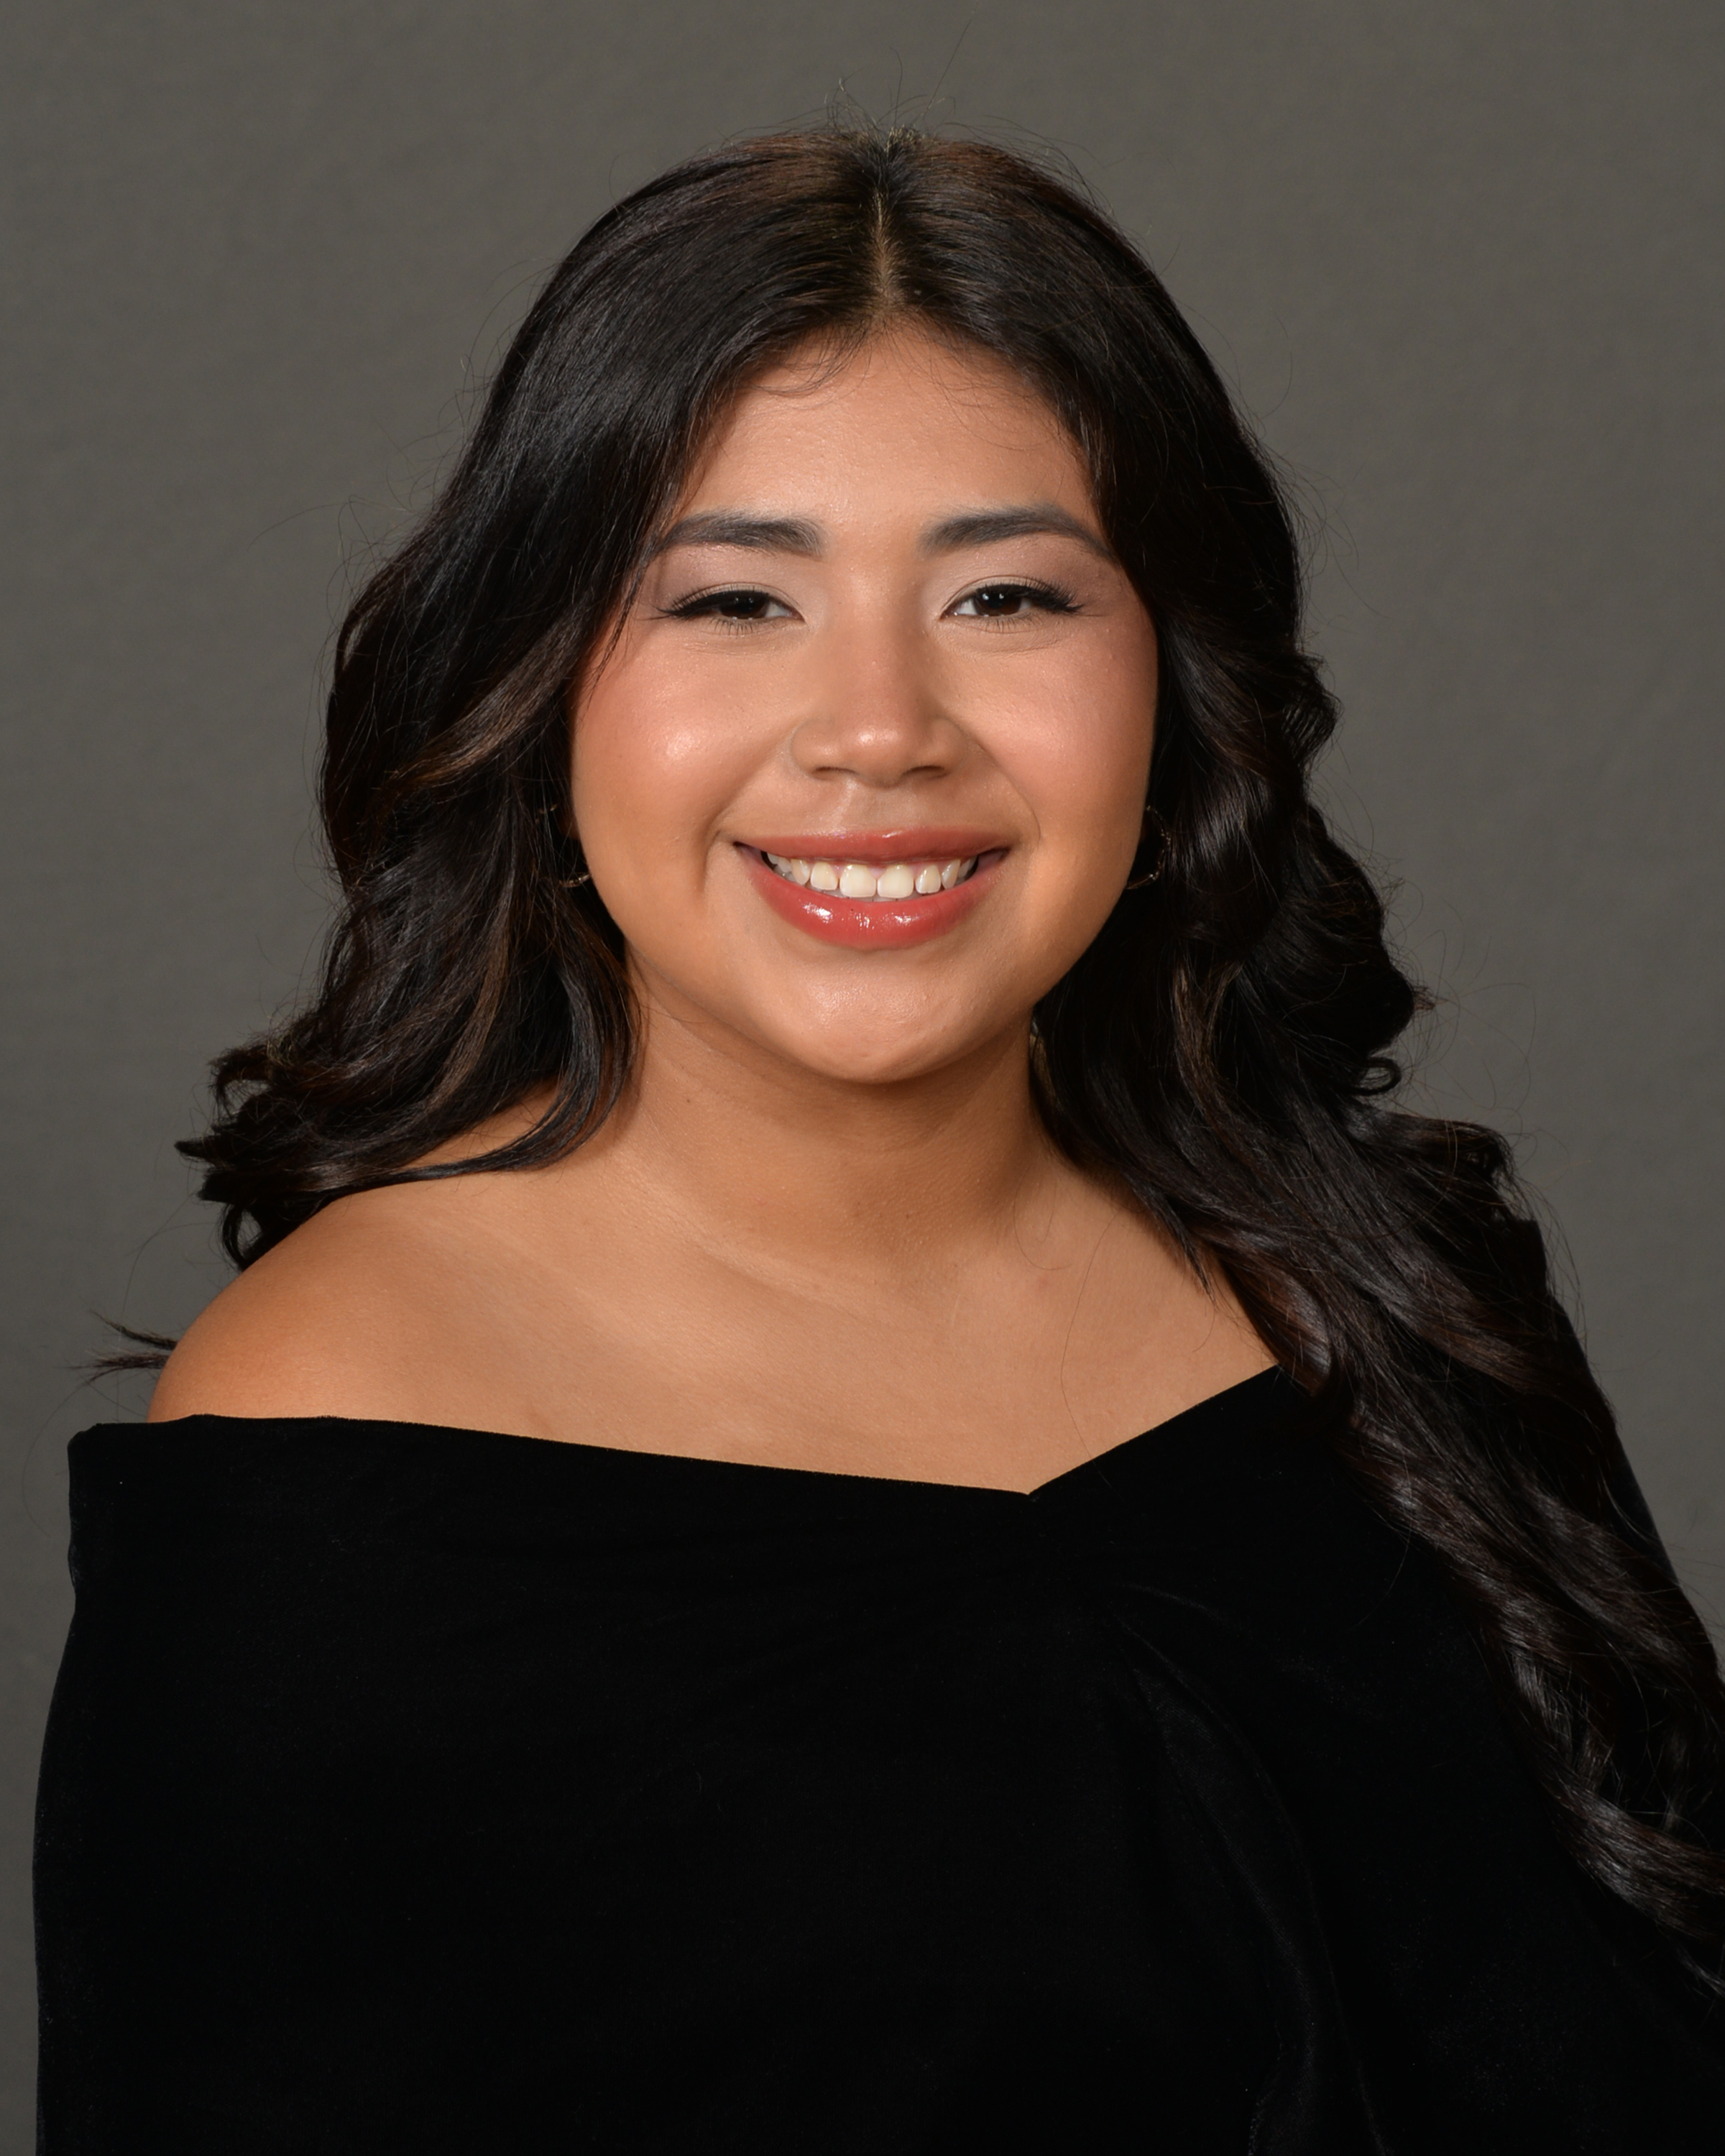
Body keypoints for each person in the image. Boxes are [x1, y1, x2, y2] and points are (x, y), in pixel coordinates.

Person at [34, 126, 1725, 2152]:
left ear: (1174, 681)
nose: (878, 730)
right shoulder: (336, 1434)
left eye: (1006, 593)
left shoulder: (1384, 1277)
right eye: (735, 600)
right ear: (544, 688)